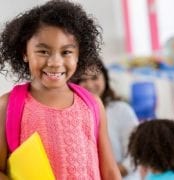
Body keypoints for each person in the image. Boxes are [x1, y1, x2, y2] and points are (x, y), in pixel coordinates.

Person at [0, 1, 122, 179]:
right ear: (24, 52)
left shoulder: (92, 104)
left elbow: (110, 172)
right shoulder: (7, 106)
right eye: (43, 51)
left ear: (79, 54)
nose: (55, 63)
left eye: (66, 52)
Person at [74, 59, 139, 179]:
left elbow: (135, 153)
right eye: (82, 80)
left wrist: (112, 174)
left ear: (105, 79)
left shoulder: (121, 110)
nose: (89, 84)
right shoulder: (72, 114)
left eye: (94, 78)